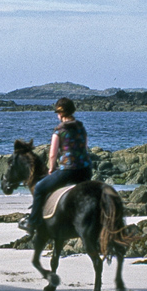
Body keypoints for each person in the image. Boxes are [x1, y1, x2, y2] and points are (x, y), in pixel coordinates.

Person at [19, 97, 93, 234]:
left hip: (69, 170)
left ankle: (33, 222)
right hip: (86, 170)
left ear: (60, 113)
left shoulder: (59, 130)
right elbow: (85, 146)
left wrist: (52, 169)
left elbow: (52, 154)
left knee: (40, 187)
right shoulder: (81, 126)